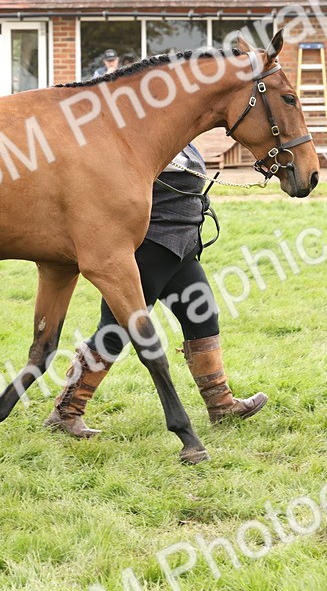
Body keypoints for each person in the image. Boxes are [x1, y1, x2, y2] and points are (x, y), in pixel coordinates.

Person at [46, 143, 267, 438]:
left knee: (202, 315)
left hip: (181, 247)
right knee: (116, 330)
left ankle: (221, 404)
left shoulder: (180, 137)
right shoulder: (129, 139)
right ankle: (66, 410)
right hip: (149, 249)